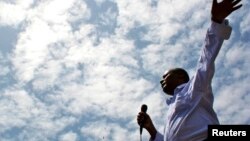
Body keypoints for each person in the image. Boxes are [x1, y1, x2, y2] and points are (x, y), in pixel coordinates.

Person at [137, 0, 242, 141]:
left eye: (165, 76)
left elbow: (206, 61)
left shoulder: (195, 88)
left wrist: (216, 21)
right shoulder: (172, 110)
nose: (161, 80)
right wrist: (152, 130)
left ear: (180, 77)